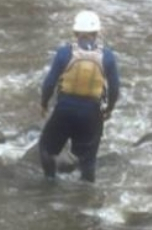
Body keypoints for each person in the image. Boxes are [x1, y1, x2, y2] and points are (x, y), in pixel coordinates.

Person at [39, 10, 120, 183]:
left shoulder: (64, 53)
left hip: (64, 111)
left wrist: (44, 104)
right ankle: (85, 198)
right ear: (96, 34)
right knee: (88, 161)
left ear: (75, 33)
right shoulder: (108, 56)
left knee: (46, 149)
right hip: (92, 114)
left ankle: (49, 183)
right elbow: (114, 89)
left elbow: (49, 83)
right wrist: (109, 110)